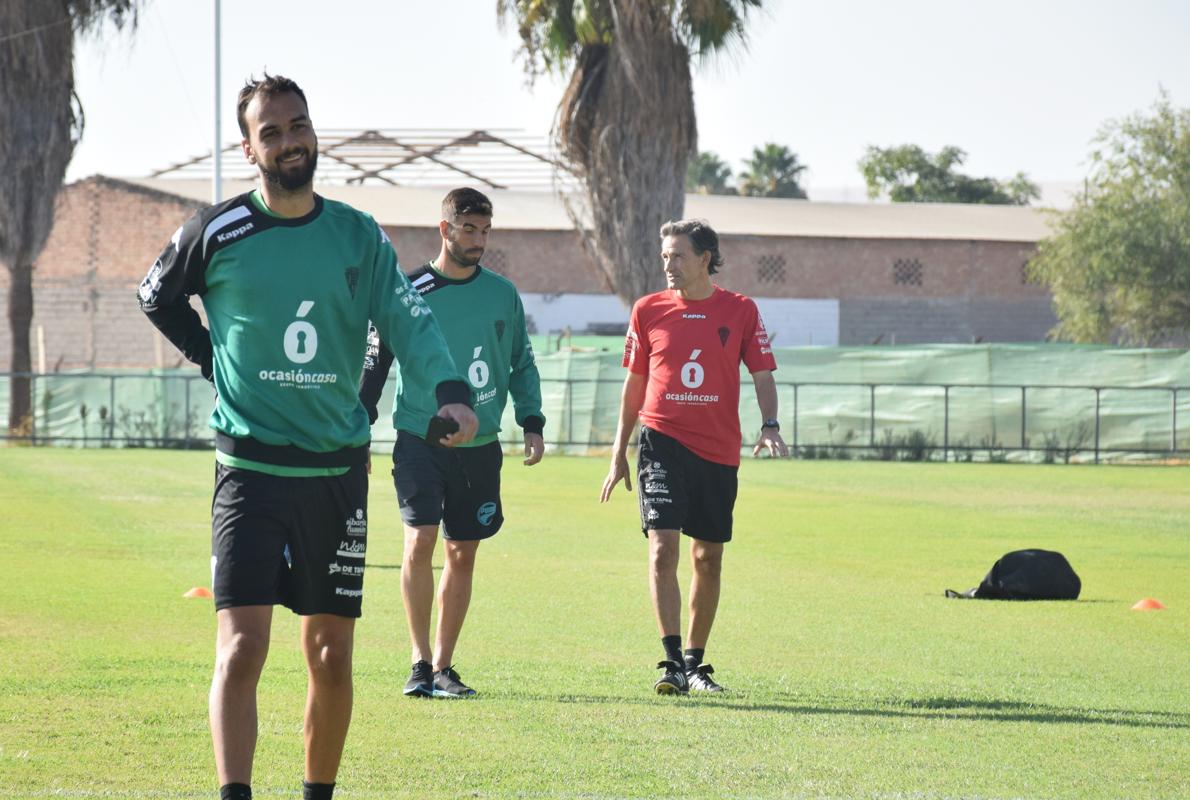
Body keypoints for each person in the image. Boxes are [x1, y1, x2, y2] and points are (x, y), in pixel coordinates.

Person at [138, 74, 478, 800]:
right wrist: (211, 358)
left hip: (334, 474)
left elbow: (409, 320)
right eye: (272, 131)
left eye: (299, 125)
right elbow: (154, 295)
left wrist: (450, 390)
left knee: (329, 654)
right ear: (248, 146)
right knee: (242, 649)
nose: (290, 141)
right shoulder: (217, 231)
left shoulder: (357, 234)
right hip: (249, 472)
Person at [359, 187, 545, 699]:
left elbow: (521, 361)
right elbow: (376, 365)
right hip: (421, 436)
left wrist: (532, 419)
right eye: (469, 229)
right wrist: (359, 429)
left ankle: (444, 666)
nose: (479, 240)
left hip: (481, 445)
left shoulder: (503, 293)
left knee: (462, 553)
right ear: (445, 229)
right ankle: (418, 662)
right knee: (419, 540)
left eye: (485, 231)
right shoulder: (409, 290)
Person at [599, 218, 787, 695]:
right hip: (660, 442)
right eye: (664, 256)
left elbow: (763, 373)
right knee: (662, 546)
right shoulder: (647, 310)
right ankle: (670, 663)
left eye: (678, 255)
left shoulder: (741, 310)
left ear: (705, 259)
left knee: (709, 558)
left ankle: (696, 664)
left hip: (719, 451)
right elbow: (634, 383)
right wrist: (619, 450)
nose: (669, 265)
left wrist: (769, 424)